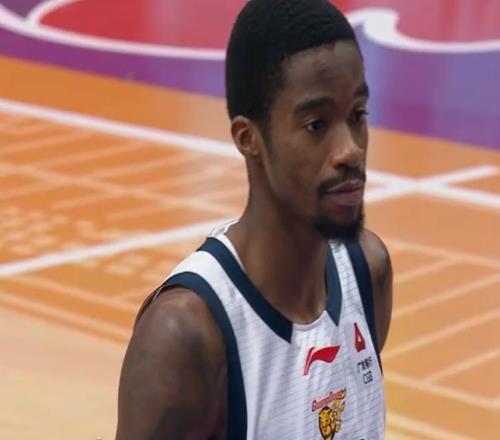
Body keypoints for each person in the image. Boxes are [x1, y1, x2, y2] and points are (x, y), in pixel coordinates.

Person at [115, 0, 393, 438]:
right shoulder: (185, 337)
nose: (351, 150)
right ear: (249, 138)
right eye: (317, 125)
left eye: (358, 115)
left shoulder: (367, 271)